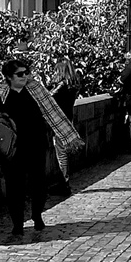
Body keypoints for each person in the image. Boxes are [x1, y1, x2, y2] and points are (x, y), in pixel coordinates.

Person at [0, 56, 82, 238]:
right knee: (14, 186)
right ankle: (17, 223)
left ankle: (37, 215)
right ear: (9, 77)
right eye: (20, 74)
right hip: (12, 149)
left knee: (39, 183)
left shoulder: (36, 89)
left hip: (35, 143)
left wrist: (68, 136)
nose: (25, 76)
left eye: (27, 72)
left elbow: (53, 112)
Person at [47, 55, 80, 197]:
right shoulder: (73, 83)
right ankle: (63, 183)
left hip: (60, 122)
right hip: (68, 119)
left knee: (61, 154)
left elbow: (48, 97)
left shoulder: (62, 85)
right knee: (63, 153)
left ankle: (64, 184)